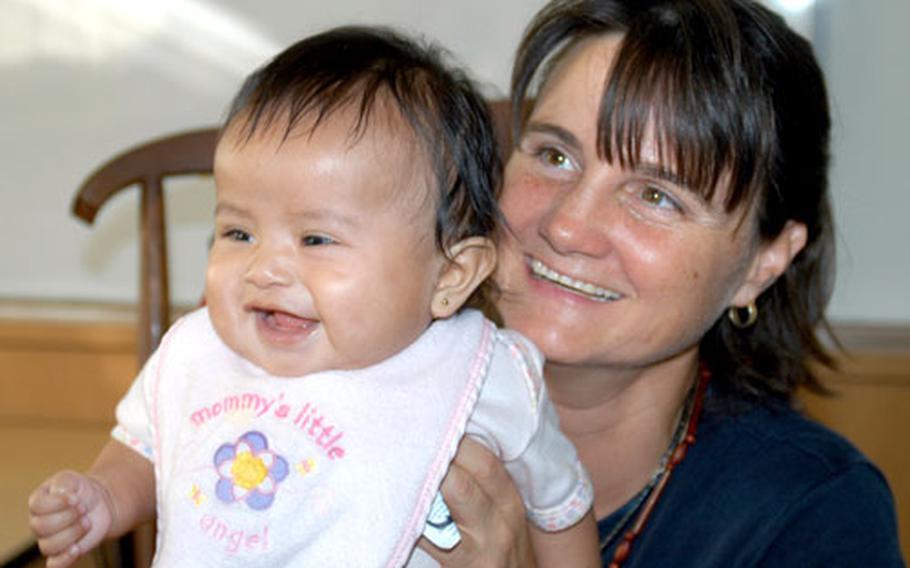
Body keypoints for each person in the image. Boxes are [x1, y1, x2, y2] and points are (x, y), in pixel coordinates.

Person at [27, 26, 599, 568]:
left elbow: (561, 510)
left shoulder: (481, 376)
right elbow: (148, 451)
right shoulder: (201, 354)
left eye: (316, 239)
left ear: (450, 277)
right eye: (238, 233)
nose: (266, 268)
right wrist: (102, 497)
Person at [420, 0, 906, 566]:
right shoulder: (351, 389)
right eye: (554, 155)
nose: (567, 225)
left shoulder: (810, 512)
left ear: (764, 262)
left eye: (655, 195)